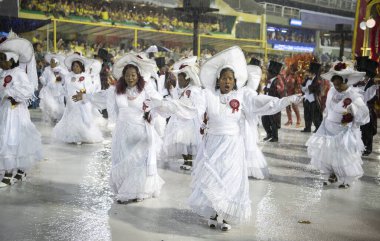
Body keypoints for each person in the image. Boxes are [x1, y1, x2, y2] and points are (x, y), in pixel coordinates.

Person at [144, 46, 302, 231]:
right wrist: (162, 104)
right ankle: (214, 213)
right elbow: (187, 107)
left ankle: (224, 216)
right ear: (217, 80)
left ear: (235, 81)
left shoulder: (242, 95)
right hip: (212, 145)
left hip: (233, 146)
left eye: (230, 78)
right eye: (224, 78)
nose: (227, 81)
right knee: (212, 179)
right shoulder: (208, 95)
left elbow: (264, 102)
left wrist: (286, 101)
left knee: (230, 180)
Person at [72, 53, 164, 203]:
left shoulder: (146, 89)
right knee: (122, 160)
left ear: (138, 75)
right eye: (127, 75)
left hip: (139, 132)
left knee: (138, 163)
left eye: (133, 75)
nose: (130, 78)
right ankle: (125, 189)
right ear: (123, 76)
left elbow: (158, 102)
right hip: (122, 132)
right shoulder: (116, 90)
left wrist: (150, 112)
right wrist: (84, 97)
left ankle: (137, 190)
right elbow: (100, 97)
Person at [306, 61, 369, 188]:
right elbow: (328, 107)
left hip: (343, 130)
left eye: (339, 84)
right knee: (330, 153)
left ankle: (347, 180)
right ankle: (332, 175)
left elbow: (365, 113)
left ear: (346, 81)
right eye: (334, 84)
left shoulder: (353, 95)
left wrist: (353, 110)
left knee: (344, 155)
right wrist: (326, 118)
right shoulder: (332, 91)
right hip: (329, 127)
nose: (337, 87)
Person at [0, 37, 42, 187]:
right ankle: (15, 171)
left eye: (3, 59)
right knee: (5, 139)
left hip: (16, 112)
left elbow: (28, 90)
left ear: (12, 60)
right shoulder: (2, 74)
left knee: (13, 139)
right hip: (5, 112)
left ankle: (10, 175)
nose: (1, 62)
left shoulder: (19, 73)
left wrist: (12, 95)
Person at [52, 53, 103, 144]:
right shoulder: (68, 76)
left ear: (81, 67)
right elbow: (65, 87)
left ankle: (83, 135)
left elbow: (90, 89)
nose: (75, 68)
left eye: (77, 66)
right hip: (71, 102)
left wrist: (82, 93)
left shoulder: (86, 77)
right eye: (74, 66)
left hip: (81, 101)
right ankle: (74, 136)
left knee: (81, 119)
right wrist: (60, 85)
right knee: (71, 119)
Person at [163, 56, 203, 171]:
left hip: (190, 120)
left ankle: (189, 162)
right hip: (180, 119)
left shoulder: (193, 91)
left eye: (181, 79)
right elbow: (176, 100)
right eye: (178, 79)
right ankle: (186, 160)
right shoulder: (179, 89)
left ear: (187, 79)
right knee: (182, 142)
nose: (179, 81)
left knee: (188, 142)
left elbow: (197, 106)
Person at [244, 65, 269, 179]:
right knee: (248, 145)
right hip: (246, 124)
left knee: (247, 145)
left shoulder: (246, 92)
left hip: (247, 123)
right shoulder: (250, 93)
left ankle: (244, 168)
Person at [355, 57, 379, 156]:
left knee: (367, 131)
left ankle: (367, 149)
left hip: (368, 110)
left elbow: (373, 98)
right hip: (359, 109)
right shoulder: (359, 82)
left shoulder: (372, 84)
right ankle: (361, 146)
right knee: (361, 129)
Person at [39, 53, 66, 123]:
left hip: (58, 91)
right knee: (50, 105)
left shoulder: (62, 70)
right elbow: (43, 77)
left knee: (59, 105)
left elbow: (64, 80)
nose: (51, 63)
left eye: (53, 62)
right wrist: (42, 80)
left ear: (57, 62)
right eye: (50, 62)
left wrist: (61, 78)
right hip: (49, 91)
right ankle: (50, 118)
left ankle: (58, 118)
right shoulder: (47, 69)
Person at [262, 60, 284, 142]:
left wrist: (269, 90)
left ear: (272, 73)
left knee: (273, 120)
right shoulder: (269, 81)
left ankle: (275, 137)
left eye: (268, 72)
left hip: (274, 104)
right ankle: (269, 134)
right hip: (267, 103)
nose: (267, 73)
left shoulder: (277, 81)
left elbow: (280, 92)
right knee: (265, 119)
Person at [301, 62, 323, 133]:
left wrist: (307, 88)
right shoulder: (307, 79)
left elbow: (316, 88)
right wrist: (303, 87)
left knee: (315, 115)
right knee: (306, 114)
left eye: (309, 72)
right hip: (306, 99)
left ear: (314, 73)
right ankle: (307, 127)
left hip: (313, 100)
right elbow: (303, 85)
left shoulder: (318, 80)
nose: (308, 74)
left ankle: (318, 127)